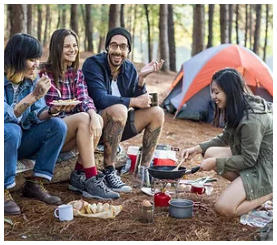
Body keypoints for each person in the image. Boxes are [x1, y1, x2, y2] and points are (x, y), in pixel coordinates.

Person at [182, 68, 272, 217]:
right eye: (212, 92)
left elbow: (249, 160)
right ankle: (248, 190)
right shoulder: (238, 107)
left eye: (217, 92)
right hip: (254, 160)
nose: (213, 97)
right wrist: (197, 148)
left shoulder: (251, 120)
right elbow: (225, 137)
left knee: (223, 208)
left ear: (230, 92)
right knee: (209, 152)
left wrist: (216, 163)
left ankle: (268, 193)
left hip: (264, 169)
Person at [82, 27, 165, 190]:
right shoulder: (93, 64)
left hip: (117, 128)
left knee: (157, 113)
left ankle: (144, 170)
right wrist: (133, 101)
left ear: (128, 50)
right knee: (119, 109)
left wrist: (141, 78)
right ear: (107, 47)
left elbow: (139, 99)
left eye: (123, 47)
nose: (118, 51)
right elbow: (100, 99)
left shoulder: (129, 69)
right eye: (114, 45)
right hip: (94, 126)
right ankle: (109, 171)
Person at [41, 29, 119, 200]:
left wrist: (94, 115)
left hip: (68, 136)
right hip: (48, 133)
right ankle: (91, 178)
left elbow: (85, 98)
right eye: (67, 46)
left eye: (75, 45)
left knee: (94, 117)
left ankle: (78, 175)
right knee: (85, 118)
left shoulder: (76, 74)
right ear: (56, 49)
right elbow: (40, 108)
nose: (72, 49)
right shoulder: (43, 73)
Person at [4, 33, 68, 215]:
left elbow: (37, 114)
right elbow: (6, 116)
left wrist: (52, 111)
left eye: (38, 59)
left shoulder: (31, 79)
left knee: (58, 125)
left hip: (20, 141)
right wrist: (34, 96)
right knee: (11, 129)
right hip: (6, 138)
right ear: (17, 58)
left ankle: (35, 183)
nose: (37, 64)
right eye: (32, 59)